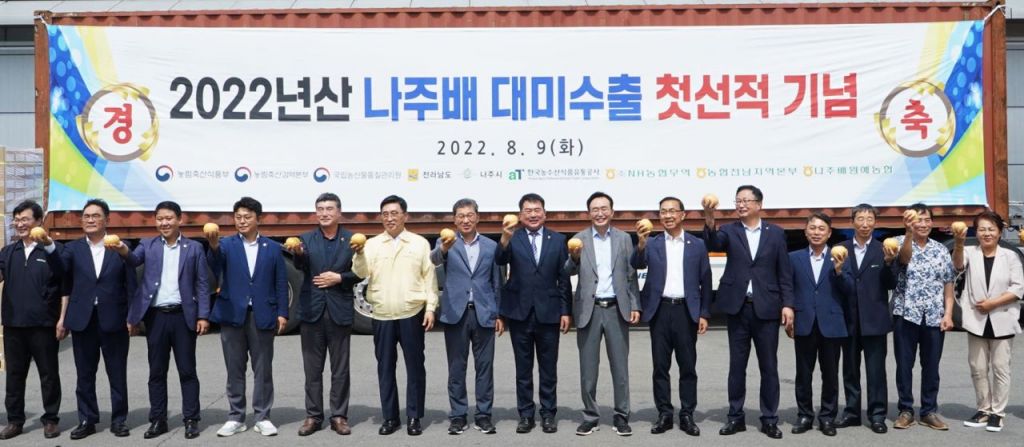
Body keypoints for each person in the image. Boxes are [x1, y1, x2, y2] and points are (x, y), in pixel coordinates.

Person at [109, 201, 209, 439]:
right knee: (156, 372)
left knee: (187, 371)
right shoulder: (148, 244)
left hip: (183, 316)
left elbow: (202, 284)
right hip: (156, 317)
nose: (164, 223)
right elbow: (133, 260)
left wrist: (203, 315)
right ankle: (158, 420)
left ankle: (191, 419)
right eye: (160, 219)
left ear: (179, 220)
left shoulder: (194, 248)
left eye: (169, 218)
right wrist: (122, 248)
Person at [702, 185, 794, 439]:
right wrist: (709, 216)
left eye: (746, 200)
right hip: (738, 307)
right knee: (737, 366)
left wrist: (788, 304)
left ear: (759, 204)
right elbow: (712, 243)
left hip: (767, 308)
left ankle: (769, 419)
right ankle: (735, 417)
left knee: (769, 366)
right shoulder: (729, 230)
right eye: (738, 201)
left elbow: (784, 272)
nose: (741, 204)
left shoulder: (776, 233)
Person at [352, 195, 438, 436]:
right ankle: (390, 417)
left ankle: (414, 416)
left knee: (415, 367)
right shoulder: (371, 244)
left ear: (405, 216)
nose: (389, 218)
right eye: (385, 214)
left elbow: (429, 278)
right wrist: (359, 253)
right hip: (382, 315)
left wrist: (430, 308)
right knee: (385, 368)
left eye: (394, 213)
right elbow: (360, 272)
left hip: (411, 313)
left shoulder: (419, 243)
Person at [205, 196, 289, 437]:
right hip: (232, 314)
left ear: (258, 219)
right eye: (238, 217)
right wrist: (213, 246)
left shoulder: (272, 248)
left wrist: (282, 312)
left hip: (262, 314)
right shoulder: (226, 245)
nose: (242, 221)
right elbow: (214, 266)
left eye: (247, 217)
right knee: (234, 369)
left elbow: (280, 283)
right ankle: (236, 417)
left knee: (263, 369)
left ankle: (262, 416)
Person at [631, 196, 712, 437]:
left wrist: (704, 313)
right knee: (660, 366)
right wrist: (641, 243)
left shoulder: (696, 244)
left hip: (686, 311)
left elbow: (706, 281)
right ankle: (664, 413)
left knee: (687, 366)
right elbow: (637, 264)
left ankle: (687, 414)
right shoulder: (652, 242)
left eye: (672, 211)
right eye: (663, 212)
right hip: (660, 310)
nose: (667, 216)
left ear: (682, 215)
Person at [564, 192, 641, 436]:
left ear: (612, 211)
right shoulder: (578, 239)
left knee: (620, 367)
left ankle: (621, 416)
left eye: (604, 208)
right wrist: (574, 258)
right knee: (588, 370)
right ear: (589, 213)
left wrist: (635, 305)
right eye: (595, 209)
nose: (600, 213)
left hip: (617, 309)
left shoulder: (624, 239)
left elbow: (631, 275)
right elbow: (567, 271)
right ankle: (590, 416)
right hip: (590, 310)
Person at [59, 198, 136, 440]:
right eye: (86, 216)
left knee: (117, 373)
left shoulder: (120, 247)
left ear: (107, 220)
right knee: (84, 374)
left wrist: (132, 317)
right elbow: (63, 280)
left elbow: (131, 284)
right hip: (83, 320)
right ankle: (87, 419)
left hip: (114, 319)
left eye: (96, 216)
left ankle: (119, 420)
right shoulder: (72, 249)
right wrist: (63, 318)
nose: (90, 220)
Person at [497, 193, 572, 434]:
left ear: (544, 213)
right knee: (523, 369)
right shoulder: (513, 237)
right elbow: (500, 260)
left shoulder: (558, 240)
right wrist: (504, 238)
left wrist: (565, 311)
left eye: (537, 210)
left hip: (549, 313)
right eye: (528, 211)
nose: (533, 214)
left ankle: (548, 414)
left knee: (548, 369)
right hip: (519, 313)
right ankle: (526, 415)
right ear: (520, 215)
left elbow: (563, 278)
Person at [286, 193, 359, 436]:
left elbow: (362, 271)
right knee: (312, 369)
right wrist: (297, 253)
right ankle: (313, 416)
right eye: (320, 209)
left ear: (339, 212)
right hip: (312, 311)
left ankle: (339, 416)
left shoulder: (352, 240)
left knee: (340, 369)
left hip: (339, 310)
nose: (324, 213)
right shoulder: (305, 239)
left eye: (329, 209)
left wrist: (340, 278)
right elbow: (301, 265)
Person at [430, 198, 502, 435]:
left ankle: (483, 415)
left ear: (477, 217)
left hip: (484, 313)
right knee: (456, 368)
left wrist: (498, 313)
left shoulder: (490, 246)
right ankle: (458, 415)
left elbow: (496, 282)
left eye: (470, 215)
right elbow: (434, 259)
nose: (466, 220)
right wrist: (443, 248)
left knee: (485, 368)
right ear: (454, 220)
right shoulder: (446, 242)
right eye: (461, 216)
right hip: (456, 313)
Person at [952, 211, 1023, 433]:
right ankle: (983, 409)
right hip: (977, 318)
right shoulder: (970, 252)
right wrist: (959, 242)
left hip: (1002, 317)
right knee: (978, 368)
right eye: (982, 229)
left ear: (1000, 232)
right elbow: (957, 265)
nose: (987, 233)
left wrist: (993, 303)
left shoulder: (1010, 256)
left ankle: (997, 413)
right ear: (976, 232)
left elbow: (1018, 288)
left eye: (991, 229)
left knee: (1001, 369)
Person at [0, 200, 64, 439]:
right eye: (17, 220)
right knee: (14, 375)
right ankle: (15, 421)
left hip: (43, 324)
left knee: (49, 374)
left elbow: (62, 273)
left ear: (39, 221)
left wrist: (48, 245)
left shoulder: (51, 250)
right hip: (14, 323)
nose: (20, 224)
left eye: (25, 219)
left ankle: (51, 420)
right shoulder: (9, 252)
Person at [891, 202, 955, 431]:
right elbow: (904, 260)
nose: (924, 224)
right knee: (904, 365)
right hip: (906, 314)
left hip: (934, 316)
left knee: (931, 366)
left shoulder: (940, 249)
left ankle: (928, 411)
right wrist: (909, 233)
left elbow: (948, 282)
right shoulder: (897, 243)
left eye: (927, 220)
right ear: (909, 222)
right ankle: (906, 410)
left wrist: (948, 314)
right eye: (918, 220)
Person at [835, 204, 896, 434]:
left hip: (875, 320)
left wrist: (889, 263)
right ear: (852, 222)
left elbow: (891, 283)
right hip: (848, 320)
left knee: (876, 371)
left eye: (869, 219)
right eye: (860, 219)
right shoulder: (840, 249)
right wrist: (838, 271)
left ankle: (877, 415)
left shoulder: (884, 249)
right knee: (850, 369)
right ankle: (851, 412)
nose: (865, 224)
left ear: (875, 223)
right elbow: (837, 286)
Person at [788, 212, 847, 437]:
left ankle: (827, 417)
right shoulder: (794, 258)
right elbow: (788, 287)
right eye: (812, 228)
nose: (816, 232)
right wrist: (788, 310)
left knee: (830, 374)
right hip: (804, 321)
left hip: (831, 323)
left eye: (821, 229)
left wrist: (840, 271)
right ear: (805, 232)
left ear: (829, 233)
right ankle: (804, 415)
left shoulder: (840, 256)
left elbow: (849, 291)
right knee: (803, 373)